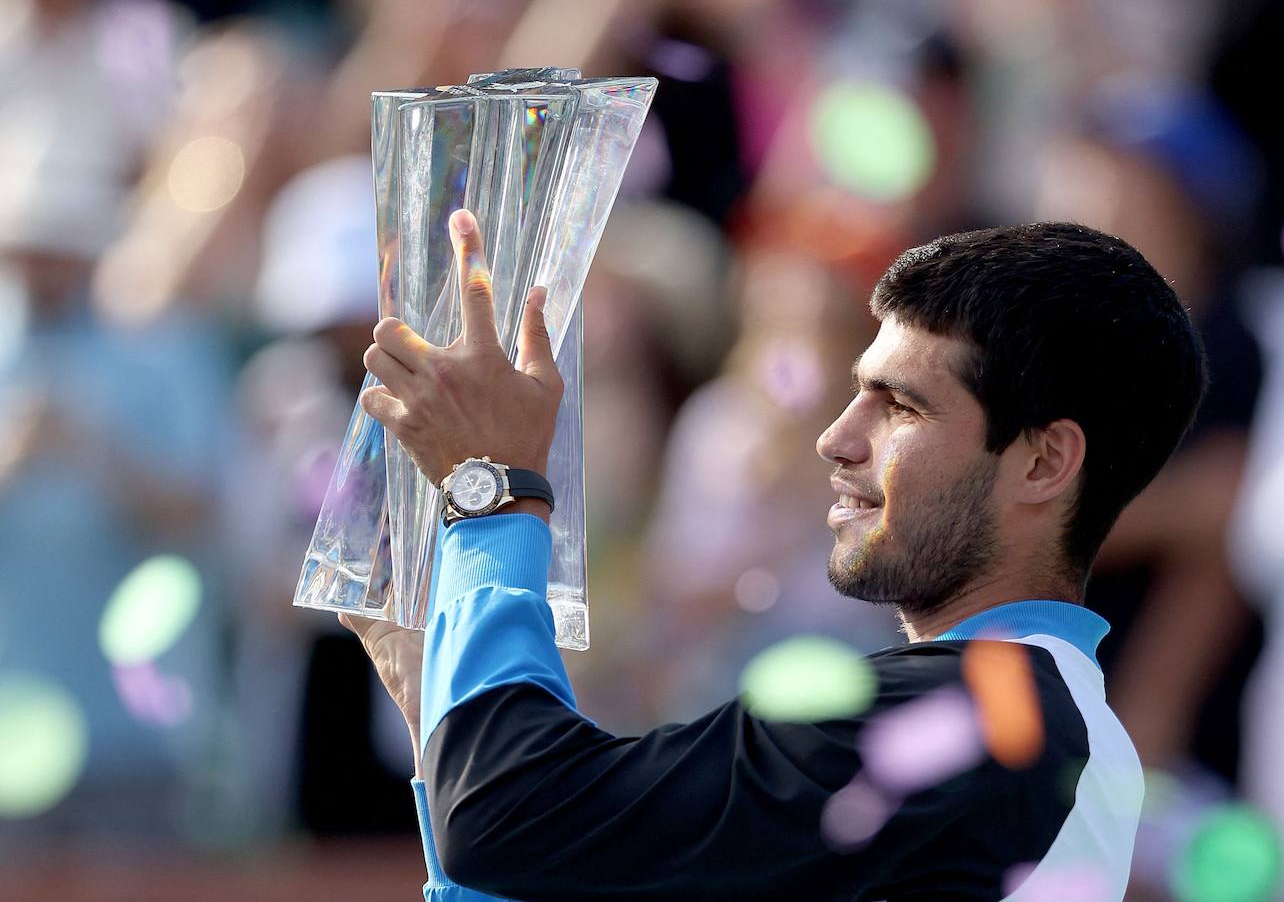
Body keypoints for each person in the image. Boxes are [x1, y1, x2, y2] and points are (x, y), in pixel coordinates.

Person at [341, 209, 1205, 900]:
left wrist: (491, 490)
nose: (836, 438)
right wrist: (449, 726)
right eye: (854, 392)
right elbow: (524, 850)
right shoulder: (1013, 722)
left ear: (1045, 462)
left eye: (900, 407)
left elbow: (511, 823)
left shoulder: (971, 719)